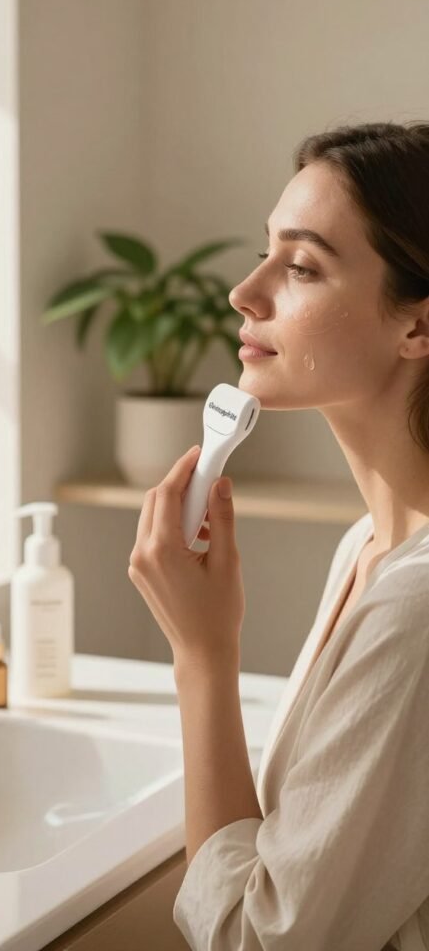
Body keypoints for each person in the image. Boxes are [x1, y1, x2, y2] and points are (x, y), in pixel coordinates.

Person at [129, 121, 429, 949]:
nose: (244, 292)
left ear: (416, 328)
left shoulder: (416, 608)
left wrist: (202, 653)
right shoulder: (368, 549)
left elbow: (254, 941)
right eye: (267, 251)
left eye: (300, 266)